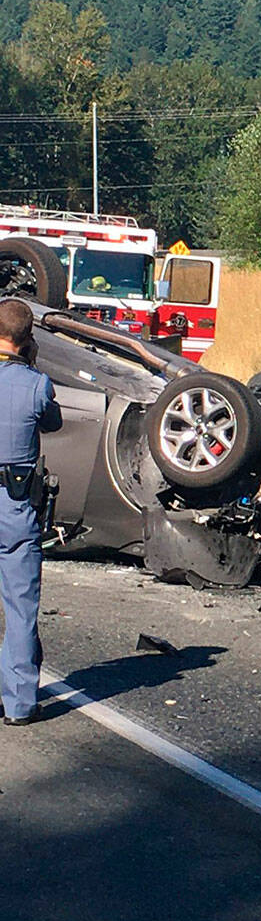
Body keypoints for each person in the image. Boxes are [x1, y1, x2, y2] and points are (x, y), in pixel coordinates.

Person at [0, 299, 61, 726]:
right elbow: (52, 423)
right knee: (20, 607)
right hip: (15, 505)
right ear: (27, 338)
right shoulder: (37, 385)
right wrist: (31, 365)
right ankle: (19, 704)